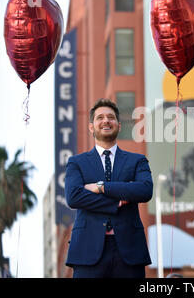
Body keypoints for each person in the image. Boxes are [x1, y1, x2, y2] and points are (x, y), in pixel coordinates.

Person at [64, 98, 153, 278]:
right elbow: (74, 197)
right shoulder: (76, 162)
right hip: (87, 250)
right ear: (91, 127)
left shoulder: (137, 160)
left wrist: (102, 186)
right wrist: (119, 200)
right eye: (100, 117)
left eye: (111, 117)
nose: (106, 121)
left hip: (129, 250)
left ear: (119, 125)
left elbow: (144, 190)